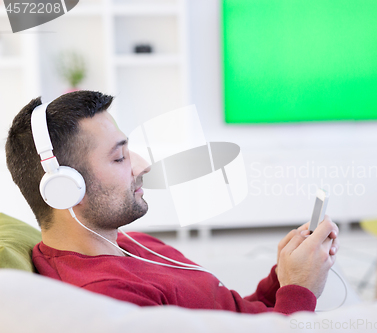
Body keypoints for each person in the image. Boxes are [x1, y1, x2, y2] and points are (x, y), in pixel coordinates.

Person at [5, 90, 339, 315]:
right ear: (65, 189)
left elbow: (228, 315)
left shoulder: (132, 243)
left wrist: (282, 279)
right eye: (119, 158)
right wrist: (300, 291)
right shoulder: (110, 299)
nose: (142, 165)